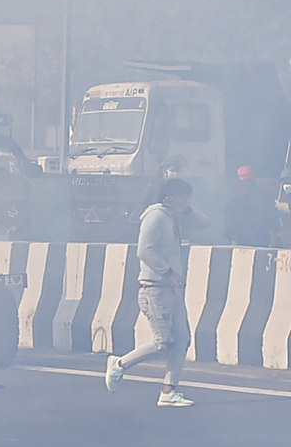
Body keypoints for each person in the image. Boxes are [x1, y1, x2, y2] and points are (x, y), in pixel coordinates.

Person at [105, 178, 209, 407]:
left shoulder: (174, 216)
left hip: (171, 291)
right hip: (155, 290)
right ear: (169, 197)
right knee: (163, 342)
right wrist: (168, 271)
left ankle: (169, 391)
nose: (186, 201)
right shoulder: (156, 216)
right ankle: (119, 364)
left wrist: (187, 209)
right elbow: (144, 250)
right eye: (183, 196)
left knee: (182, 340)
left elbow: (205, 222)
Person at [224, 164, 278, 247]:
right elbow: (272, 217)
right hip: (261, 239)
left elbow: (229, 219)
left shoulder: (233, 197)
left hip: (240, 240)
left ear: (240, 178)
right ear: (254, 177)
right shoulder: (266, 195)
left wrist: (230, 237)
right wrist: (276, 230)